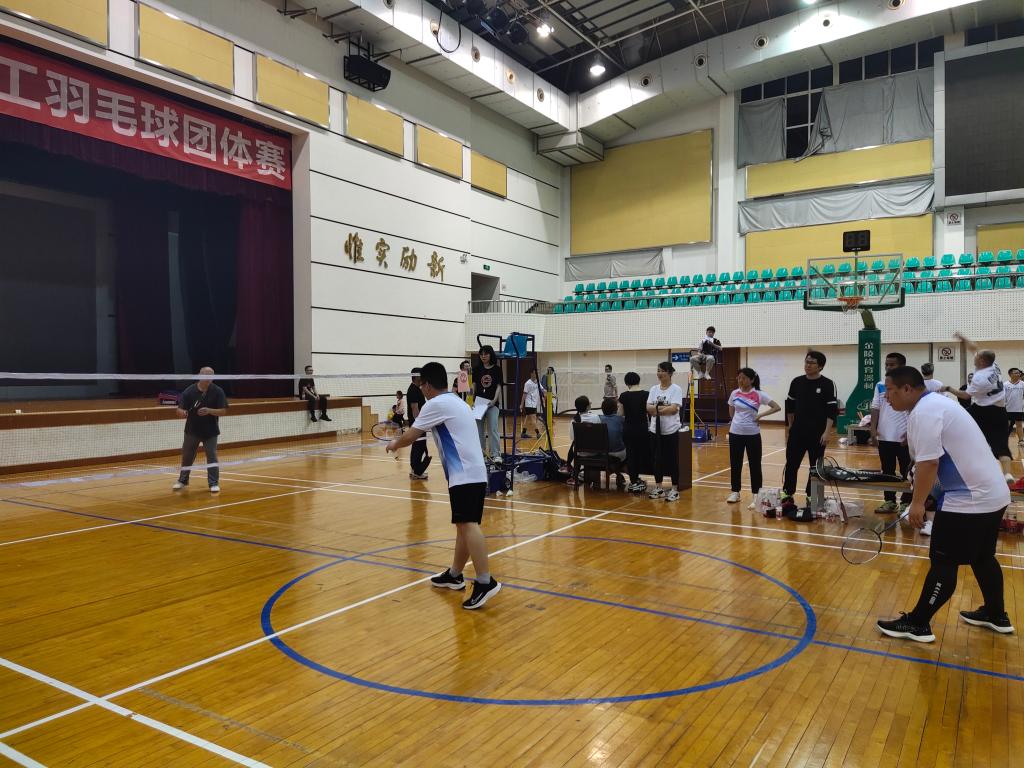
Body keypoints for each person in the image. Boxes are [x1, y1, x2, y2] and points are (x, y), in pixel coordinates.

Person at [877, 365, 1012, 643]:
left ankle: (918, 623)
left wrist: (917, 504)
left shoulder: (926, 411)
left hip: (970, 499)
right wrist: (929, 493)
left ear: (907, 389)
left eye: (889, 390)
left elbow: (929, 464)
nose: (886, 397)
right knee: (982, 557)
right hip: (993, 494)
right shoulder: (937, 404)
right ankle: (996, 615)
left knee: (943, 561)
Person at [386, 362, 501, 610]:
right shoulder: (456, 401)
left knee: (468, 525)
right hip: (473, 473)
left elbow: (412, 435)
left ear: (427, 385)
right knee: (463, 526)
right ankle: (455, 575)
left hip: (465, 475)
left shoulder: (435, 404)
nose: (421, 389)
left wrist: (394, 443)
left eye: (422, 385)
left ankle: (485, 581)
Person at [943, 335, 1015, 483]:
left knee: (958, 425)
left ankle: (952, 456)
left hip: (982, 410)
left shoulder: (979, 378)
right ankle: (1007, 474)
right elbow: (975, 348)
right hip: (1000, 411)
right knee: (1001, 444)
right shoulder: (994, 366)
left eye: (977, 357)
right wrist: (963, 338)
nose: (974, 357)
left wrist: (948, 388)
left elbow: (965, 395)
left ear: (982, 361)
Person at [781, 350, 838, 510]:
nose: (808, 365)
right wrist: (791, 426)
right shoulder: (796, 382)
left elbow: (831, 411)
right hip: (797, 432)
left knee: (815, 467)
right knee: (791, 464)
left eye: (812, 363)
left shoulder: (828, 384)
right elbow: (790, 406)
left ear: (820, 366)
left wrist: (827, 432)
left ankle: (811, 495)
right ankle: (787, 493)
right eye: (806, 362)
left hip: (818, 434)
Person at [725, 368, 780, 507]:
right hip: (735, 433)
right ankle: (735, 492)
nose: (740, 380)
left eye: (743, 378)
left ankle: (756, 495)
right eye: (739, 378)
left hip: (753, 434)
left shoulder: (759, 394)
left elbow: (776, 407)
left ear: (752, 380)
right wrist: (737, 422)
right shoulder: (734, 393)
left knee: (755, 465)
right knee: (735, 463)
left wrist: (760, 415)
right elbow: (731, 410)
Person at [172, 367, 228, 494]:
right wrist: (182, 413)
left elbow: (223, 411)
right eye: (205, 375)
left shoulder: (218, 391)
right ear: (199, 375)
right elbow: (179, 409)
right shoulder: (189, 391)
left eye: (210, 376)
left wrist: (209, 411)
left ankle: (213, 483)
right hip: (192, 431)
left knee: (212, 456)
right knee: (187, 456)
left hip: (210, 431)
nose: (208, 378)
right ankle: (182, 481)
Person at [870, 352, 913, 513]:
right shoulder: (880, 385)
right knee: (887, 471)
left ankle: (906, 502)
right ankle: (889, 501)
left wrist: (911, 433)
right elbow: (875, 407)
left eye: (892, 364)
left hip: (905, 438)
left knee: (907, 472)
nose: (888, 367)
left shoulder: (910, 386)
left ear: (902, 366)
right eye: (886, 364)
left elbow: (915, 410)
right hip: (884, 437)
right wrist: (873, 430)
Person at [646, 361, 684, 501]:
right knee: (657, 460)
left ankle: (674, 489)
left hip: (670, 430)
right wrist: (662, 409)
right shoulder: (654, 389)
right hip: (654, 430)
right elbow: (648, 408)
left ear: (670, 373)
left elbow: (673, 409)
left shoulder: (676, 389)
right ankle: (659, 487)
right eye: (658, 370)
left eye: (662, 371)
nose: (659, 373)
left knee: (672, 460)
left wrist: (656, 409)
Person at [618, 371, 650, 493]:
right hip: (642, 429)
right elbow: (649, 411)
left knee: (631, 455)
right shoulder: (646, 394)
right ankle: (640, 478)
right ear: (638, 381)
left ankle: (634, 480)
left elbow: (621, 413)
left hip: (628, 429)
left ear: (626, 383)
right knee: (643, 454)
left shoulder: (623, 396)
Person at [473, 345, 503, 463]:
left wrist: (494, 400)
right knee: (478, 431)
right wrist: (471, 400)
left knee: (493, 429)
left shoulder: (497, 369)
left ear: (491, 355)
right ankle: (481, 454)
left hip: (492, 404)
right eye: (481, 354)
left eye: (486, 354)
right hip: (479, 404)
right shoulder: (477, 369)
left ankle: (495, 454)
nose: (483, 356)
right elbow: (474, 385)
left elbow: (499, 386)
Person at [566, 395, 602, 487]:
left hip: (580, 452)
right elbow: (599, 435)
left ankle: (575, 473)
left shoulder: (574, 420)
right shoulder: (596, 417)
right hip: (595, 452)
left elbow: (573, 438)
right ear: (587, 407)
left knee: (574, 445)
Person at [407, 368, 431, 480]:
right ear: (416, 376)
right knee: (418, 446)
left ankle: (415, 470)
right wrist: (420, 424)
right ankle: (416, 471)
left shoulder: (418, 388)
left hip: (420, 423)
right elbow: (414, 408)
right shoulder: (413, 390)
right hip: (417, 424)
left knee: (419, 446)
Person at [599, 397, 627, 462]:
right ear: (616, 409)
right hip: (619, 453)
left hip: (602, 453)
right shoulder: (621, 419)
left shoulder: (599, 419)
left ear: (602, 409)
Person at [1004, 367, 1024, 446]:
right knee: (1007, 425)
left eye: (1018, 373)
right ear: (1010, 374)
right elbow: (1003, 397)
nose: (1018, 374)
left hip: (1019, 409)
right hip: (1008, 408)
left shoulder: (1022, 384)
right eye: (1016, 373)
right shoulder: (1005, 384)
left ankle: (1021, 440)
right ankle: (1004, 441)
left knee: (1019, 424)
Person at [520, 369, 542, 439]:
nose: (536, 374)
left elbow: (542, 389)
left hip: (534, 404)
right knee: (533, 418)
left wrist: (549, 393)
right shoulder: (528, 383)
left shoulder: (537, 382)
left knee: (527, 418)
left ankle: (523, 433)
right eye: (535, 373)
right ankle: (538, 433)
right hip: (529, 404)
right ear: (531, 374)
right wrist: (521, 404)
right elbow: (524, 394)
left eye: (537, 373)